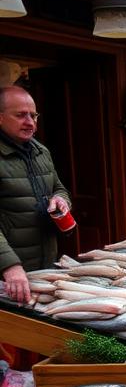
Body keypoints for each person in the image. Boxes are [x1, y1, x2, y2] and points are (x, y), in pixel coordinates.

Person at [0, 86, 72, 304]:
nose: (30, 122)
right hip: (9, 276)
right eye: (21, 115)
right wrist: (10, 267)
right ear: (0, 118)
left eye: (33, 115)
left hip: (43, 264)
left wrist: (61, 200)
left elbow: (59, 188)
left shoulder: (41, 151)